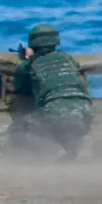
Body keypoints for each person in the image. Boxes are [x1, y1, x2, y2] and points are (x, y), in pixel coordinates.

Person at [10, 24, 93, 161]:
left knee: (17, 129)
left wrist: (26, 61)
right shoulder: (68, 58)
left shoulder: (30, 64)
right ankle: (81, 143)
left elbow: (21, 88)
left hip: (55, 111)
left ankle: (54, 150)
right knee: (69, 129)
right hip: (85, 110)